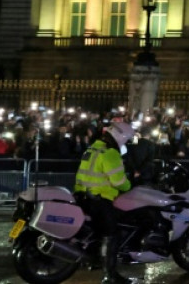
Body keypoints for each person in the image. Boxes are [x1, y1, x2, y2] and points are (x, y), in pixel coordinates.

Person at [74, 121, 135, 284]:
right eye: (126, 139)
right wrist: (130, 185)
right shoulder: (110, 153)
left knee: (101, 231)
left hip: (83, 196)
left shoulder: (93, 148)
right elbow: (118, 181)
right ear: (119, 137)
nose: (126, 143)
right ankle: (110, 275)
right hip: (100, 200)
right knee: (112, 234)